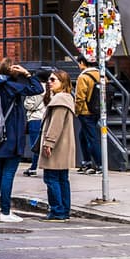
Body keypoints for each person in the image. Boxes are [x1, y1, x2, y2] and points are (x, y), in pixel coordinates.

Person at [0, 58, 43, 222]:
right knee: (8, 174)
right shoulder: (15, 87)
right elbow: (37, 88)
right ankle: (5, 212)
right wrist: (27, 73)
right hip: (13, 137)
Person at [39, 69, 77, 221]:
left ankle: (57, 211)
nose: (50, 82)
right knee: (62, 179)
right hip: (62, 145)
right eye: (49, 79)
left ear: (63, 83)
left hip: (56, 147)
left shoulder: (60, 99)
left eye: (53, 80)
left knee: (51, 178)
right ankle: (64, 210)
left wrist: (49, 143)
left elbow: (56, 124)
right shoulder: (65, 98)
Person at [75, 62, 102, 173]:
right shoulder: (101, 75)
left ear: (82, 63)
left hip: (85, 112)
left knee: (91, 138)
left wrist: (77, 111)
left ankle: (99, 164)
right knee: (82, 136)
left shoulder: (83, 77)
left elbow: (80, 97)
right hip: (97, 110)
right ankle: (87, 162)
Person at [23, 73, 47, 177]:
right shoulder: (50, 87)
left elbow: (29, 105)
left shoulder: (35, 89)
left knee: (35, 145)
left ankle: (33, 168)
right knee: (45, 143)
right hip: (45, 118)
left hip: (35, 118)